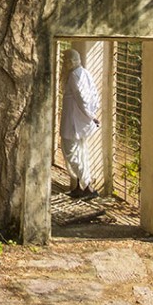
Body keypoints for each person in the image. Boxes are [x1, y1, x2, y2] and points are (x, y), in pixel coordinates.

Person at [60, 49, 101, 200]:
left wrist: (91, 116)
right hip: (80, 121)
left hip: (73, 122)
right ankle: (80, 187)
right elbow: (95, 95)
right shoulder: (84, 73)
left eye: (65, 60)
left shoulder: (74, 76)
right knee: (81, 152)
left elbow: (81, 98)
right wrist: (92, 113)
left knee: (71, 152)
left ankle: (88, 185)